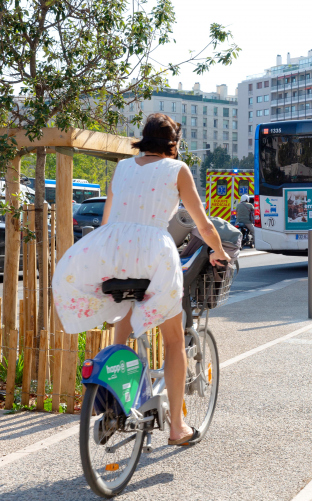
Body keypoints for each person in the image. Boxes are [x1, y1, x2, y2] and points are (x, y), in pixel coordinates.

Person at [52, 113, 231, 446]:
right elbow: (203, 225)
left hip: (111, 249)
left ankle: (115, 402)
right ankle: (177, 428)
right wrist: (219, 250)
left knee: (124, 313)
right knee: (174, 341)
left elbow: (108, 219)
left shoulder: (123, 167)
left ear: (144, 139)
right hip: (152, 252)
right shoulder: (177, 169)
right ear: (173, 143)